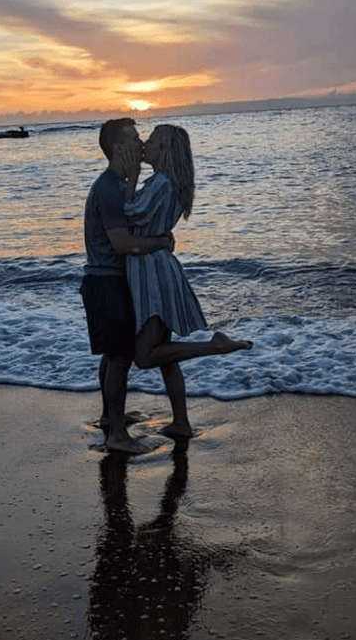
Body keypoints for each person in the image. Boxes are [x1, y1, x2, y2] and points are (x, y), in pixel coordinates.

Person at [117, 123, 252, 447]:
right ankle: (181, 422)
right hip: (157, 266)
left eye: (154, 140)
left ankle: (214, 346)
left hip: (152, 273)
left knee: (146, 356)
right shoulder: (166, 182)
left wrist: (130, 174)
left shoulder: (162, 182)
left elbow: (129, 212)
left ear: (167, 151)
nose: (146, 143)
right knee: (167, 356)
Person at [80, 117, 187, 453]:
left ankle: (111, 419)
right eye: (135, 138)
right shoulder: (110, 188)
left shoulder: (117, 185)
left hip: (108, 279)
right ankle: (117, 436)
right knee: (120, 357)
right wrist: (162, 240)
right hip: (107, 281)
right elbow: (125, 244)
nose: (141, 143)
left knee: (114, 356)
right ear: (119, 148)